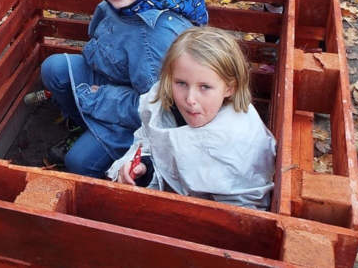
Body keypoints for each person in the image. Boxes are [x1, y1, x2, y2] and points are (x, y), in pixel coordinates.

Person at [32, 0, 209, 178]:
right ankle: (84, 125)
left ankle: (105, 162)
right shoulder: (124, 3)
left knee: (78, 162)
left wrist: (97, 97)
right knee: (54, 68)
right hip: (111, 83)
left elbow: (156, 108)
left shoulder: (153, 37)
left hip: (137, 114)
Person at [107, 27, 277, 210]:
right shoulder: (163, 103)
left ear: (229, 88)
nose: (190, 99)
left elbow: (245, 208)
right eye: (181, 83)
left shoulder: (240, 142)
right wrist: (143, 167)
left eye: (204, 87)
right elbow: (147, 138)